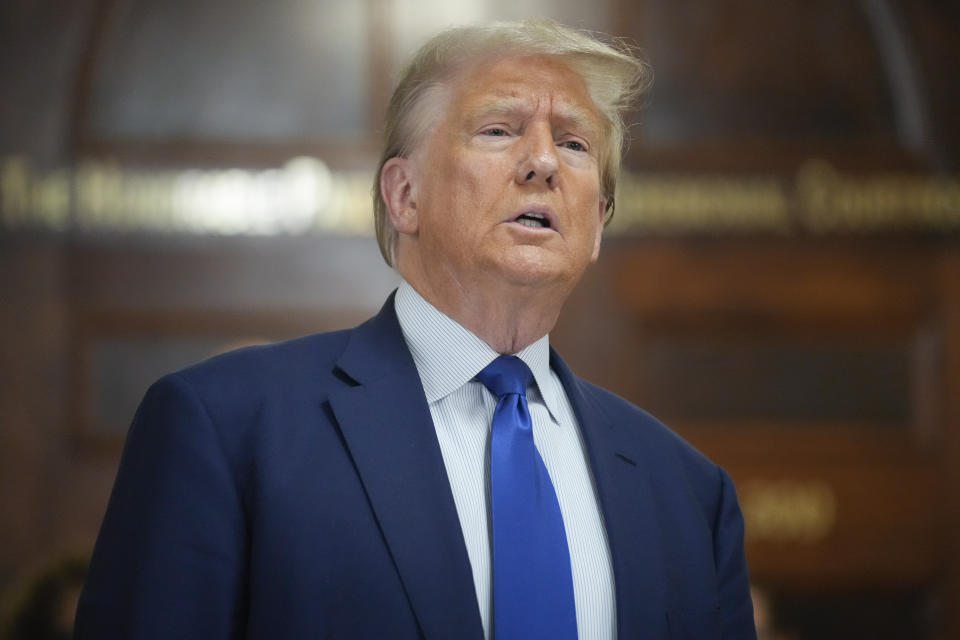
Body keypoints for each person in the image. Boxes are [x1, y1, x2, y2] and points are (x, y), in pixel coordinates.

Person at [75, 19, 756, 640]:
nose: (543, 162)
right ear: (404, 196)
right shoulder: (228, 429)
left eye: (574, 143)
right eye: (499, 129)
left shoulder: (687, 494)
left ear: (597, 225)